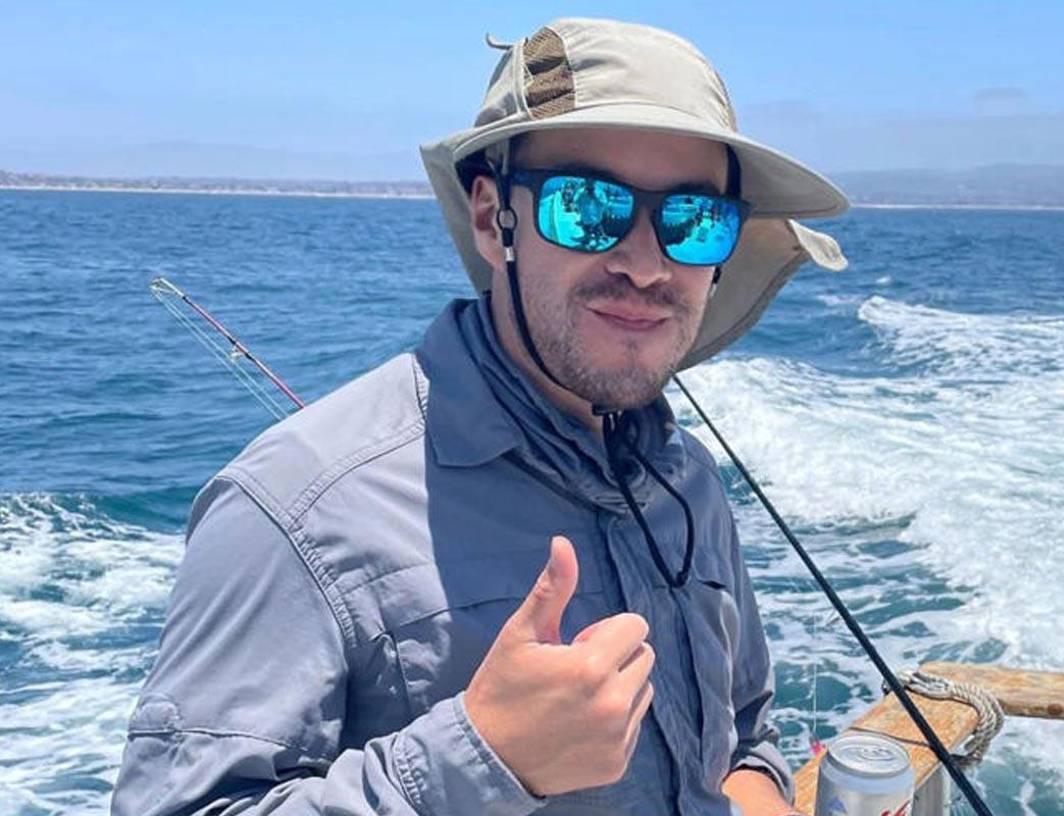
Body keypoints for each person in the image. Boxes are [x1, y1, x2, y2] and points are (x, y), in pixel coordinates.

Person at [111, 17, 848, 816]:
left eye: (693, 220)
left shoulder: (687, 481)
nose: (645, 263)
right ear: (495, 217)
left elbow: (743, 739)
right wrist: (484, 757)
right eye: (587, 207)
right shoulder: (298, 505)